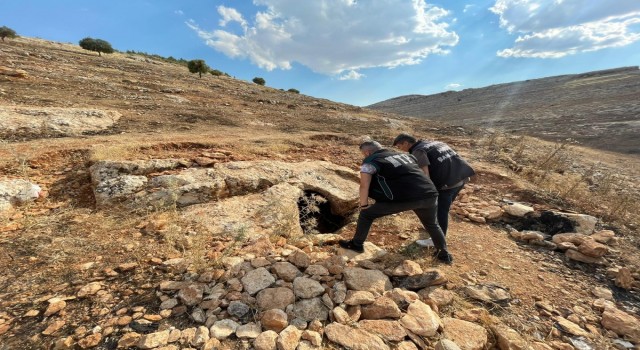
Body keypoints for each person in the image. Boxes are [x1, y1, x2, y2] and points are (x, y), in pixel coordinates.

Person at [338, 140, 453, 264]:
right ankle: (444, 255)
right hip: (430, 194)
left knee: (366, 215)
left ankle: (356, 245)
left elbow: (364, 186)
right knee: (432, 224)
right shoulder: (405, 155)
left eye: (363, 154)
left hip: (406, 198)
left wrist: (364, 205)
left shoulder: (370, 162)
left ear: (367, 152)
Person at [393, 133, 475, 247]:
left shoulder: (418, 151)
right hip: (461, 177)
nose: (400, 149)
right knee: (441, 208)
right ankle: (434, 228)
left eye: (399, 146)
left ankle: (437, 240)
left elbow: (425, 175)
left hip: (448, 184)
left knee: (441, 211)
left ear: (406, 143)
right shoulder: (433, 143)